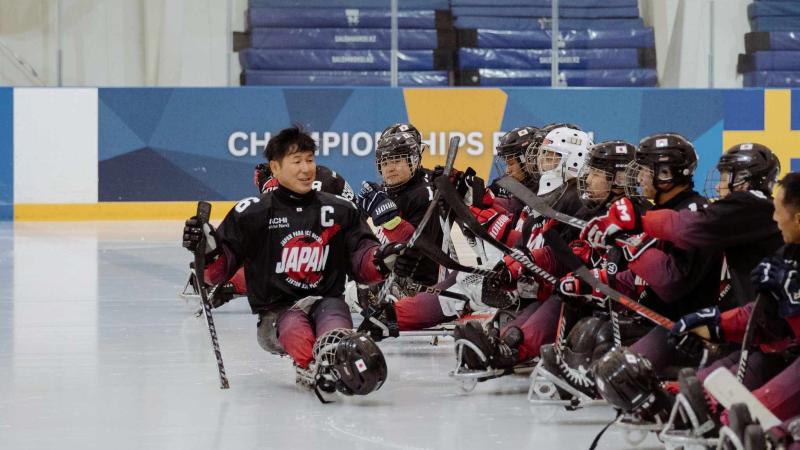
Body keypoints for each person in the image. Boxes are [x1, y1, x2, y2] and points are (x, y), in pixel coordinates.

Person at [182, 125, 416, 398]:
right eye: (297, 161)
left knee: (336, 333)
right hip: (276, 313)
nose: (306, 169)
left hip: (328, 301)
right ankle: (314, 366)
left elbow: (360, 259)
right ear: (276, 167)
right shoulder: (252, 214)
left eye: (310, 160)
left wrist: (380, 260)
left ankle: (327, 364)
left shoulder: (340, 210)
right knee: (297, 329)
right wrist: (206, 250)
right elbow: (216, 272)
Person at [583, 142, 783, 309]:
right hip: (739, 324)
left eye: (724, 178)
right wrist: (600, 279)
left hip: (756, 329)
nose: (716, 185)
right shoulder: (746, 214)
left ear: (744, 181)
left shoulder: (751, 206)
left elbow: (672, 276)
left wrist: (637, 227)